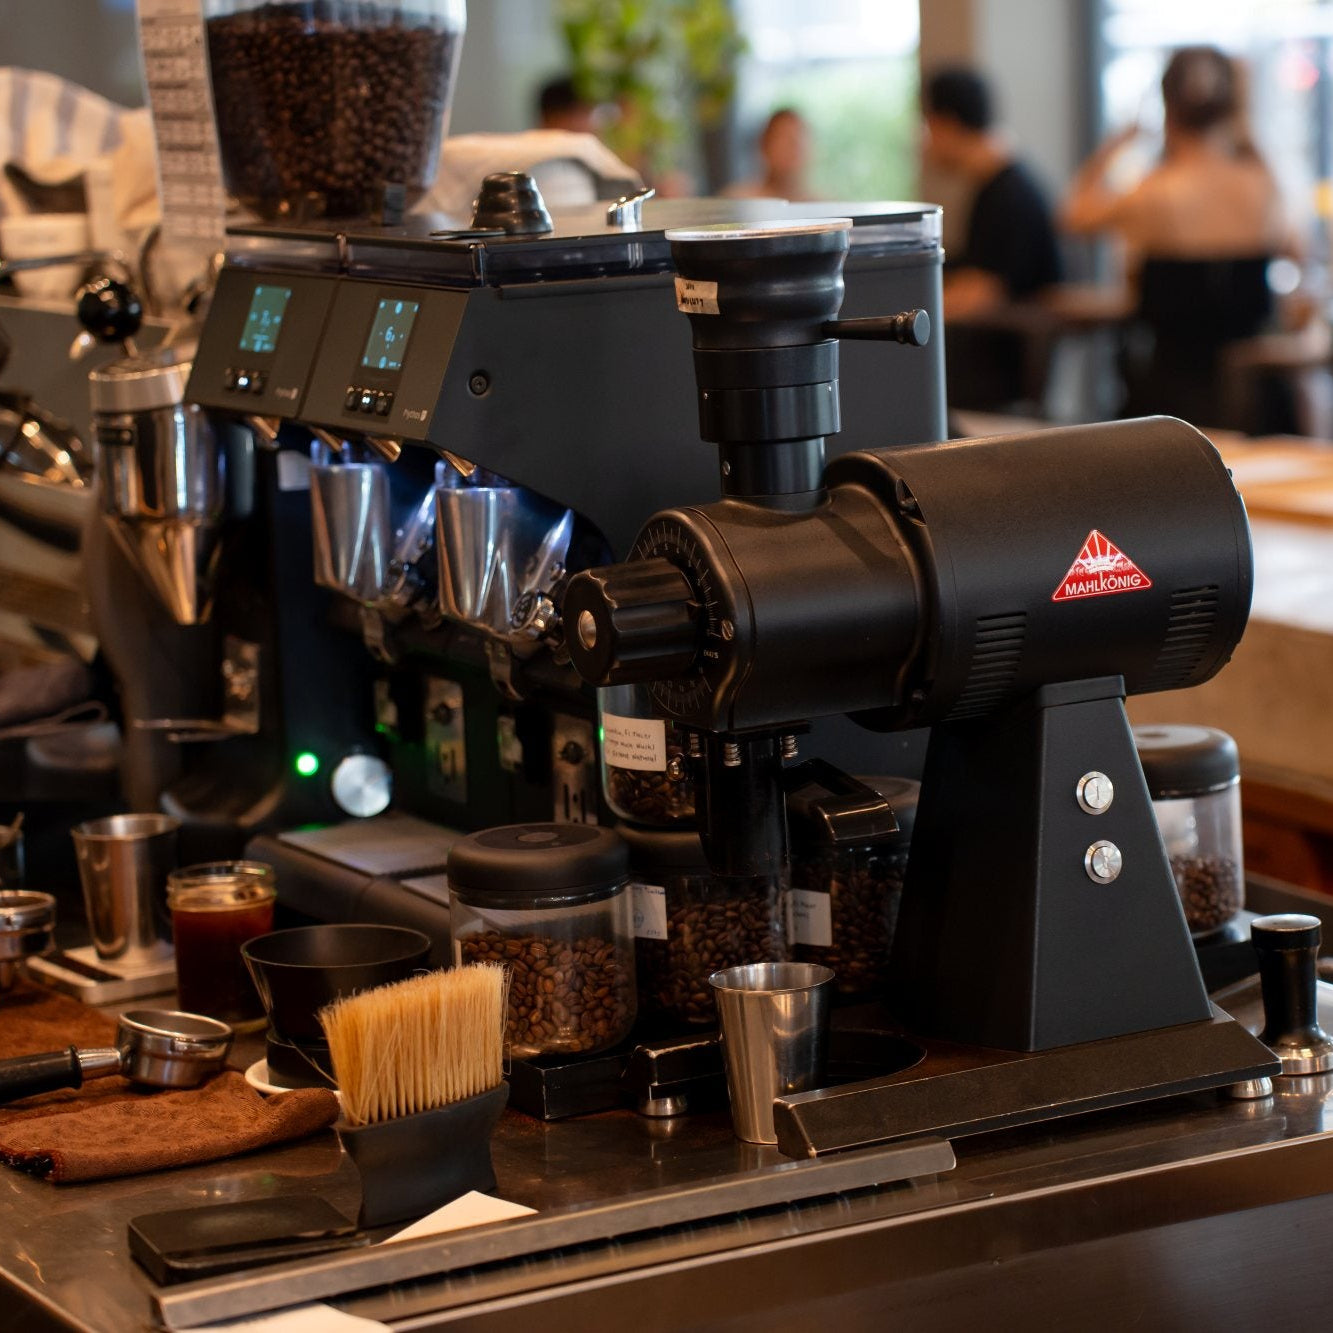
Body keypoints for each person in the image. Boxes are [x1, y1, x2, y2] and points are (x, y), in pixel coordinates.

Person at [1062, 46, 1299, 427]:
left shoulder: (1154, 192)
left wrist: (1120, 140)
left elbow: (1073, 217)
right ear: (1231, 109)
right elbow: (1296, 250)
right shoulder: (1262, 185)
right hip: (1258, 397)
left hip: (1170, 402)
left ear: (1168, 108)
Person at [921, 66, 1064, 410]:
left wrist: (908, 316)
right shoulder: (996, 186)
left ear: (947, 124)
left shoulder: (1009, 194)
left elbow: (983, 293)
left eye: (927, 126)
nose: (924, 141)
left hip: (997, 385)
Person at [724, 107, 818, 202]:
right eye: (782, 139)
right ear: (764, 145)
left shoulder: (820, 205)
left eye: (796, 142)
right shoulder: (738, 200)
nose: (791, 149)